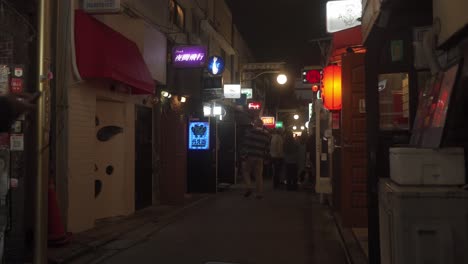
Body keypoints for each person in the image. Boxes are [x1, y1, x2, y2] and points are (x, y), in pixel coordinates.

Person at [241, 118, 271, 199]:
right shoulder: (267, 135)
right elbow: (267, 148)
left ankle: (249, 187)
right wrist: (266, 158)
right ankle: (259, 193)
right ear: (262, 125)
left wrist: (243, 155)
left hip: (249, 156)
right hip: (260, 157)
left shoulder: (250, 133)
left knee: (246, 171)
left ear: (255, 124)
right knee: (258, 175)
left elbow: (245, 145)